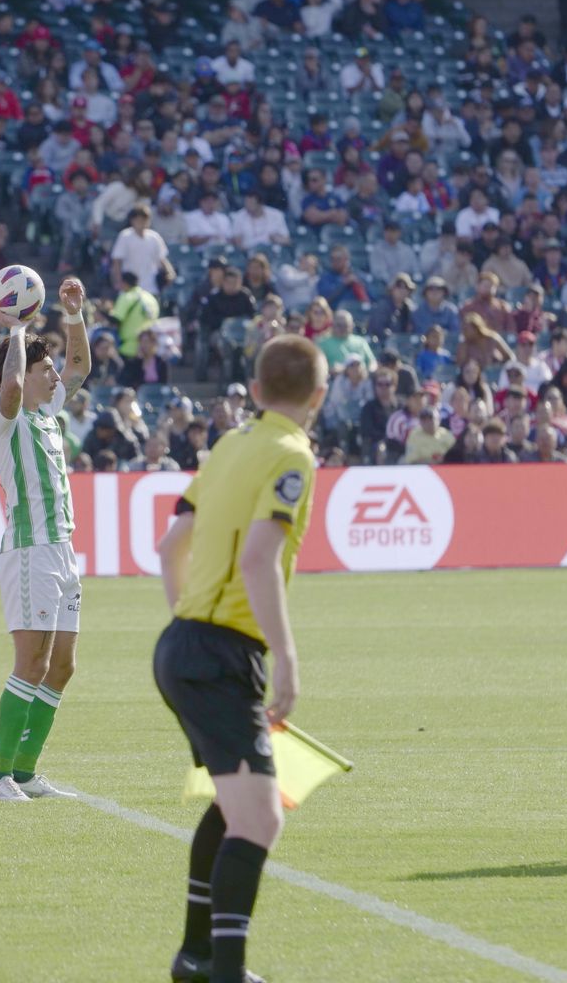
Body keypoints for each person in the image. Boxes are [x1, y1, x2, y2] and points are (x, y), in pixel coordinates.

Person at [153, 334, 327, 983]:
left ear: (254, 391)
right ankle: (225, 970)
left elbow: (171, 544)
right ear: (319, 396)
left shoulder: (229, 444)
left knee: (233, 806)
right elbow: (258, 560)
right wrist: (287, 657)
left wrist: (187, 621)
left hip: (181, 644)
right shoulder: (293, 455)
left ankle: (197, 957)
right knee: (260, 818)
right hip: (223, 651)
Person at [0, 277, 90, 803]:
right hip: (31, 550)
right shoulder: (3, 419)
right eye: (46, 369)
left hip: (63, 550)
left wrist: (74, 314)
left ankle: (24, 773)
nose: (56, 375)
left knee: (62, 667)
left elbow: (81, 366)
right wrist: (19, 331)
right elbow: (11, 389)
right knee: (32, 663)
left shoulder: (47, 415)